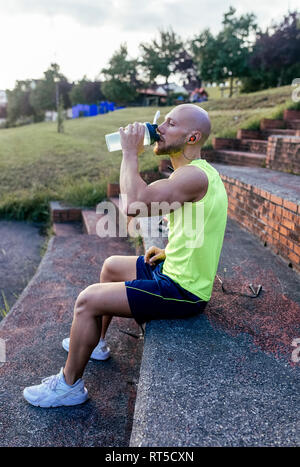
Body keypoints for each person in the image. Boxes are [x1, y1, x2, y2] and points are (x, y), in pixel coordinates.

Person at [23, 104, 228, 408]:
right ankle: (97, 343)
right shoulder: (191, 174)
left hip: (184, 290)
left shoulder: (193, 178)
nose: (159, 128)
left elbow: (133, 206)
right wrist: (168, 250)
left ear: (192, 137)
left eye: (170, 124)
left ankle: (69, 386)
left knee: (87, 300)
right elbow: (200, 228)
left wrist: (129, 152)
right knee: (111, 267)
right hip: (172, 268)